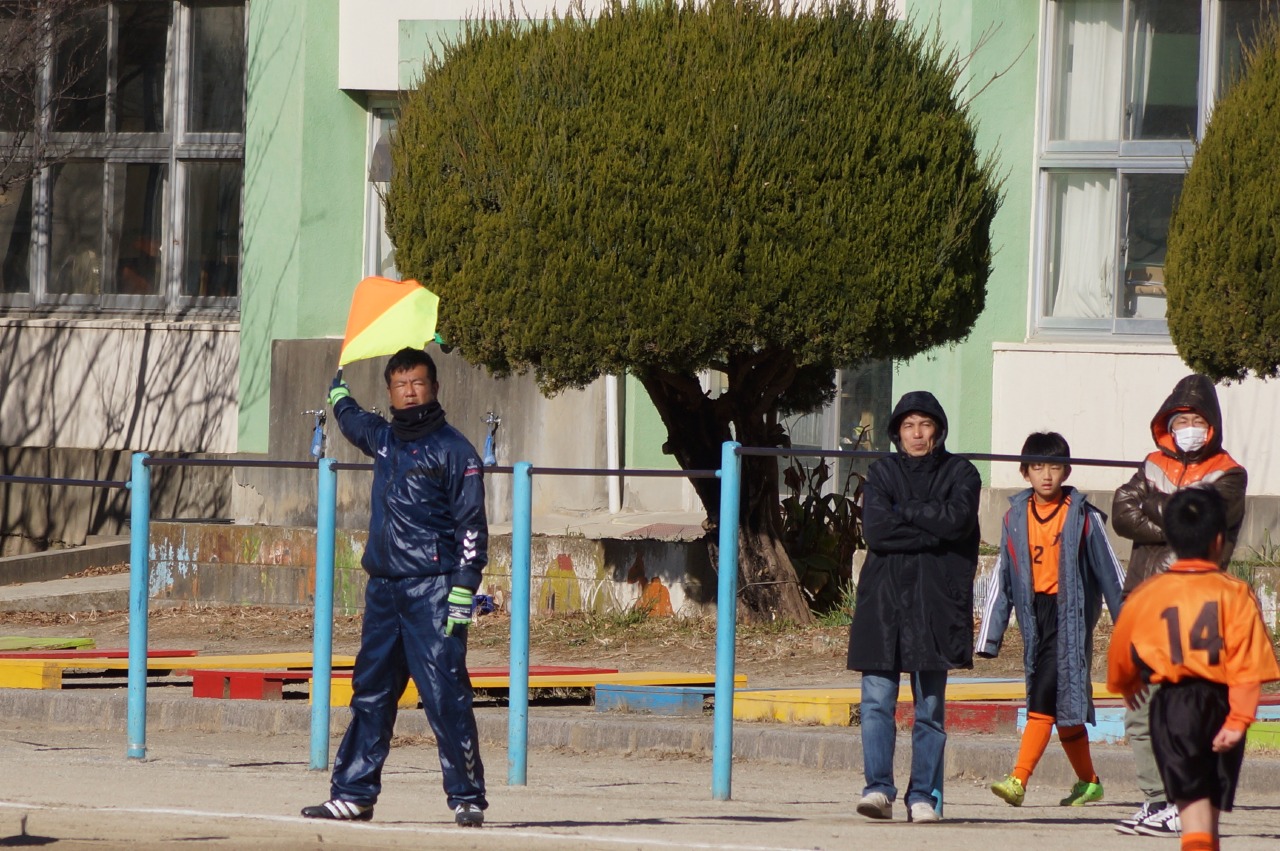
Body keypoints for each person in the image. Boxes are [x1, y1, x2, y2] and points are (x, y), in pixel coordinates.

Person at [301, 347, 489, 827]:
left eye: (418, 383)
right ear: (390, 391)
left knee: (446, 695)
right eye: (401, 384)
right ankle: (353, 794)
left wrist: (464, 586)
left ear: (435, 388)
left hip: (434, 591)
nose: (410, 392)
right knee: (371, 693)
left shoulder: (456, 451)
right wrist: (339, 394)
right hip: (384, 590)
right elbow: (354, 422)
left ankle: (467, 797)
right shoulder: (384, 440)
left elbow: (471, 524)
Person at [1111, 374, 1247, 837]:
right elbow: (1121, 512)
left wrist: (1155, 505)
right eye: (1180, 420)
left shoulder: (1229, 472)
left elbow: (1205, 519)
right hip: (1142, 599)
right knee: (1139, 708)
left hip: (1193, 606)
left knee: (1182, 712)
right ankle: (1156, 799)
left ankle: (1182, 800)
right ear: (1167, 424)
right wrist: (1177, 514)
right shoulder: (1152, 463)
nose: (1189, 429)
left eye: (1197, 421)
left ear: (1212, 425)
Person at [1107, 488, 1280, 851]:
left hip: (1172, 706)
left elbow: (1122, 646)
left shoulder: (1148, 592)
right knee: (1209, 815)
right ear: (1219, 541)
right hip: (1220, 703)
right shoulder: (1236, 593)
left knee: (1193, 814)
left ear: (1170, 540)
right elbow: (1247, 665)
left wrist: (1126, 683)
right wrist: (1239, 719)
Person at [846, 391, 981, 824]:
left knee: (930, 710)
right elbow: (878, 532)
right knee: (876, 703)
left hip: (936, 604)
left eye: (924, 424)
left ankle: (922, 795)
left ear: (938, 429)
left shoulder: (962, 473)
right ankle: (878, 789)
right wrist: (933, 529)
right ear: (897, 432)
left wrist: (904, 511)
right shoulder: (882, 473)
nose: (917, 434)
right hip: (883, 603)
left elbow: (958, 522)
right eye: (908, 426)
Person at [975, 432, 1126, 807]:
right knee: (1065, 707)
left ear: (1067, 471)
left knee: (1043, 693)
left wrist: (1131, 625)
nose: (1046, 475)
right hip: (1034, 616)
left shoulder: (1083, 516)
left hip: (1070, 615)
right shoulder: (1014, 517)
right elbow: (1004, 578)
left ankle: (1018, 779)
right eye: (1038, 467)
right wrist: (989, 637)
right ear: (1025, 472)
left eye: (1055, 467)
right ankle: (1089, 782)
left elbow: (1111, 573)